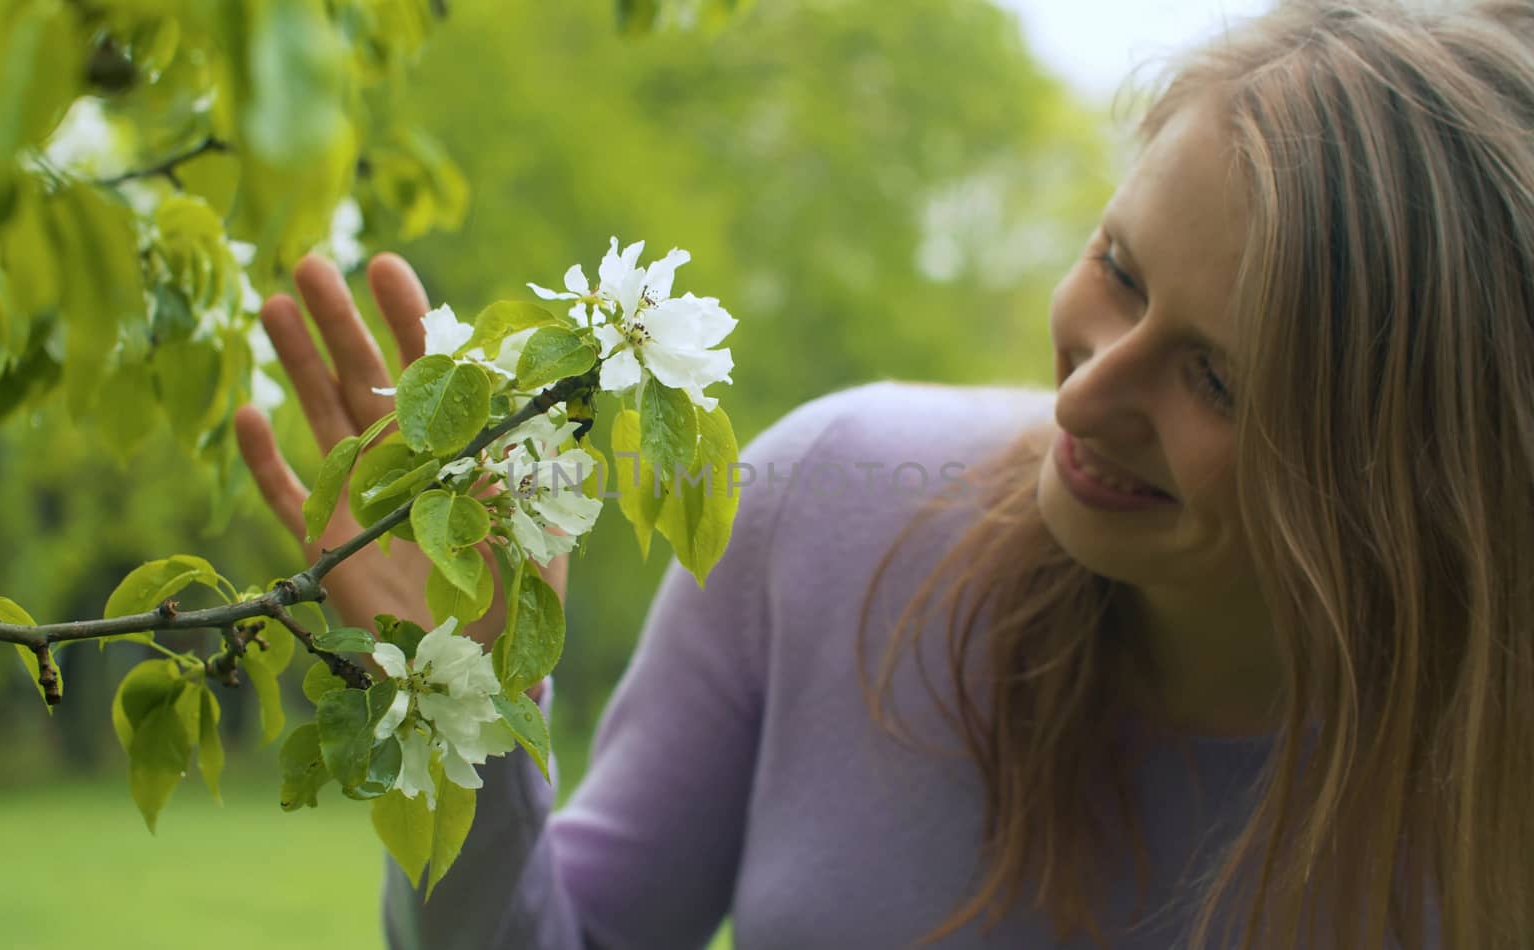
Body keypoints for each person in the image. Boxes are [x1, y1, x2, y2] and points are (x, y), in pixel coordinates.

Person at [234, 0, 1534, 946]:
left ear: (1409, 481)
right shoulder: (827, 506)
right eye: (1119, 271)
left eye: (1216, 381)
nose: (1083, 391)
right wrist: (469, 708)